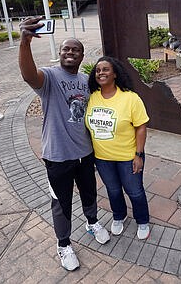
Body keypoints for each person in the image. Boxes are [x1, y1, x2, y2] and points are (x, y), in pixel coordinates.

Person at [18, 17, 110, 271]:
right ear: (60, 53)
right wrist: (24, 42)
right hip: (57, 156)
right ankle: (64, 243)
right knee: (62, 201)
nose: (70, 52)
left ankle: (92, 223)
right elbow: (28, 74)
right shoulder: (49, 77)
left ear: (82, 56)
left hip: (84, 153)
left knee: (90, 193)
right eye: (66, 49)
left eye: (75, 49)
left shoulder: (85, 82)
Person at [85, 56, 151, 240]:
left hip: (128, 156)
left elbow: (141, 127)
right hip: (102, 157)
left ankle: (142, 220)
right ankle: (119, 216)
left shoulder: (130, 98)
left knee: (134, 190)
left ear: (115, 74)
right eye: (98, 70)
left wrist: (138, 155)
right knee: (113, 190)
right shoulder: (92, 97)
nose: (101, 73)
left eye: (106, 69)